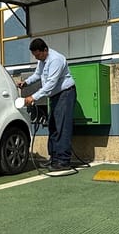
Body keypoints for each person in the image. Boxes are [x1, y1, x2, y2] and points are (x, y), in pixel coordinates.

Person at [18, 38, 76, 171]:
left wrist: (33, 97)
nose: (37, 58)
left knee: (62, 127)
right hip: (55, 96)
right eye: (35, 56)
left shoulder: (56, 60)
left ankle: (63, 161)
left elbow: (51, 84)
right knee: (53, 125)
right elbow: (38, 74)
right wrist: (26, 83)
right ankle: (54, 158)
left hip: (65, 94)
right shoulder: (42, 60)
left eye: (38, 55)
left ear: (45, 50)